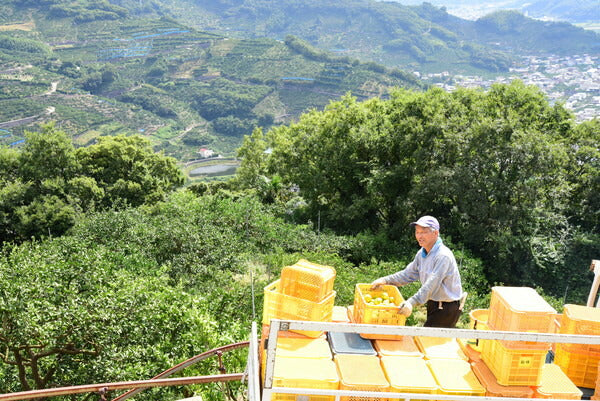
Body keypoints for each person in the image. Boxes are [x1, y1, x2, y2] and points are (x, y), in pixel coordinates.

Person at [371, 215, 464, 328]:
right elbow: (408, 274)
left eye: (423, 232)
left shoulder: (443, 256)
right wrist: (385, 280)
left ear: (435, 233)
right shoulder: (422, 253)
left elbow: (431, 285)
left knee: (429, 340)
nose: (419, 236)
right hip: (434, 303)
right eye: (417, 232)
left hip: (447, 307)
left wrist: (411, 302)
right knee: (430, 341)